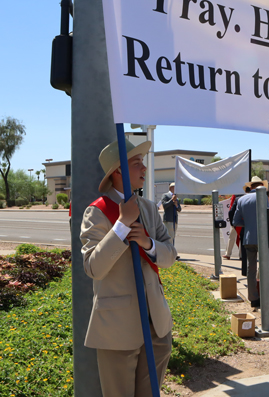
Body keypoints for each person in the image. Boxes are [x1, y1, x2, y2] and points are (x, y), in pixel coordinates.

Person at [80, 137, 177, 397]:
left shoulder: (147, 208)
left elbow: (170, 256)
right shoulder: (97, 212)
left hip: (156, 324)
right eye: (137, 163)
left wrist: (148, 243)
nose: (144, 169)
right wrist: (121, 225)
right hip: (117, 329)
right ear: (119, 170)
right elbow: (93, 267)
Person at [232, 176, 269, 315]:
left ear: (251, 186)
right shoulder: (262, 198)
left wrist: (250, 225)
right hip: (263, 239)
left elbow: (236, 221)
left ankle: (253, 298)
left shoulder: (242, 199)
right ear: (262, 187)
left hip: (248, 238)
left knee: (251, 268)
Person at [158, 183, 181, 250]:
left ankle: (172, 251)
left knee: (173, 236)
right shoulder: (165, 195)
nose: (175, 189)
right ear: (170, 188)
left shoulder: (176, 197)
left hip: (174, 219)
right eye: (174, 188)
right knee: (169, 236)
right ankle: (169, 251)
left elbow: (179, 209)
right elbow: (164, 205)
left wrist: (176, 205)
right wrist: (172, 200)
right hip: (168, 219)